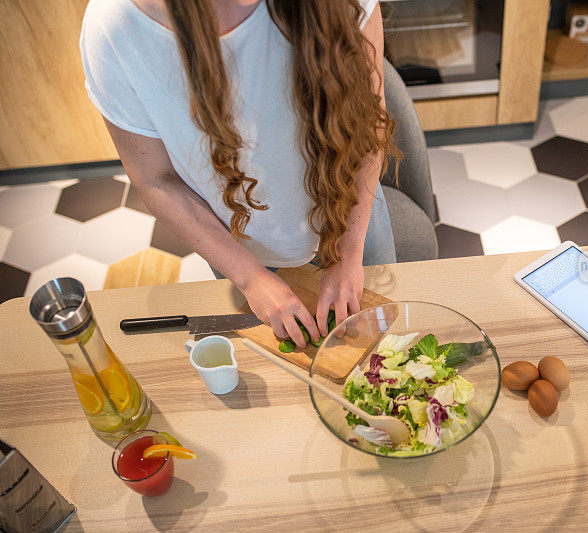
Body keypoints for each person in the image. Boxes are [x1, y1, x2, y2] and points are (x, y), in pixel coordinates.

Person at [80, 0, 400, 349]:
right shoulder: (115, 29)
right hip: (239, 247)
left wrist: (348, 251)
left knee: (384, 357)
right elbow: (156, 180)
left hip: (350, 216)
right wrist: (251, 279)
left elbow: (369, 122)